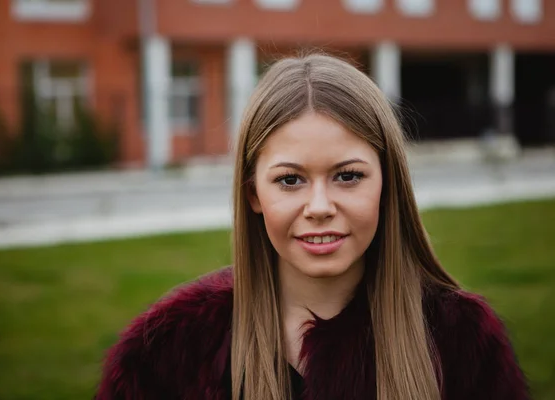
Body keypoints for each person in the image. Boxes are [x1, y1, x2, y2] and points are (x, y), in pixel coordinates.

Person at [95, 54, 528, 400]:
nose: (319, 207)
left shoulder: (461, 340)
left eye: (347, 175)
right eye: (290, 180)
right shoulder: (167, 350)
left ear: (387, 182)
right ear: (253, 194)